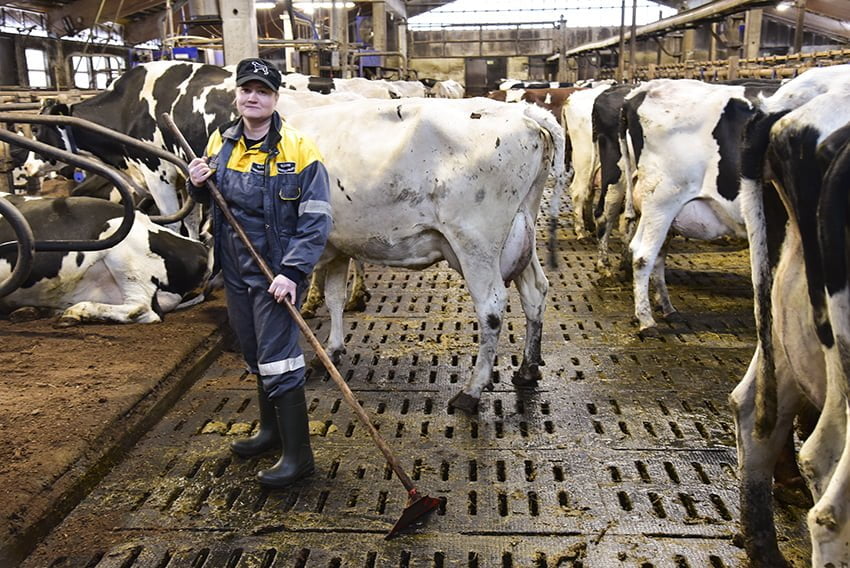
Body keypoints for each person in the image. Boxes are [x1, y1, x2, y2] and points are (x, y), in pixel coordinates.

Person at [187, 57, 332, 488]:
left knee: (280, 359)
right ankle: (270, 433)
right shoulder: (222, 142)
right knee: (254, 353)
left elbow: (317, 218)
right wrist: (195, 181)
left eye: (263, 91)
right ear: (237, 95)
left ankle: (298, 456)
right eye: (246, 89)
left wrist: (292, 271)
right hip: (235, 268)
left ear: (275, 97)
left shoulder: (299, 148)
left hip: (277, 271)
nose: (253, 97)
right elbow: (211, 200)